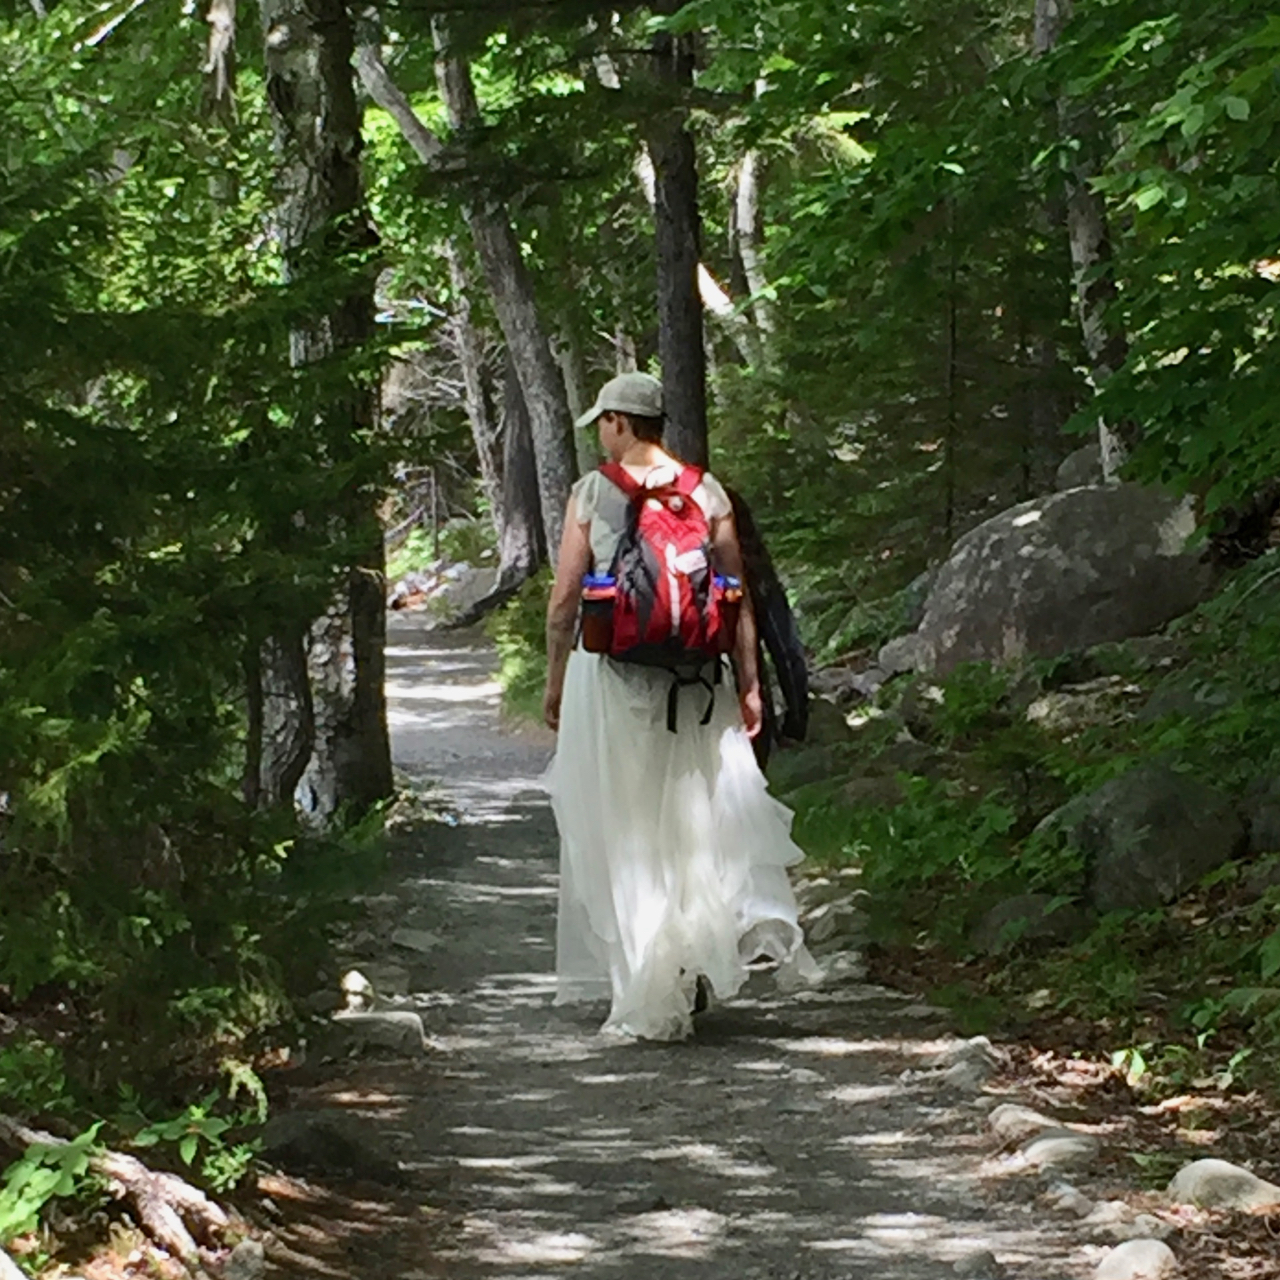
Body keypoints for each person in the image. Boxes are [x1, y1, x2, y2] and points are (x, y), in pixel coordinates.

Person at [541, 371, 819, 1043]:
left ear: (621, 424)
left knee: (624, 827)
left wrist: (553, 682)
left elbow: (564, 603)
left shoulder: (593, 493)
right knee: (693, 827)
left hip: (611, 682)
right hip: (698, 683)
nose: (601, 436)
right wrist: (751, 684)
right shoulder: (707, 491)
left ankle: (643, 982)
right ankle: (690, 961)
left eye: (604, 424)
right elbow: (737, 598)